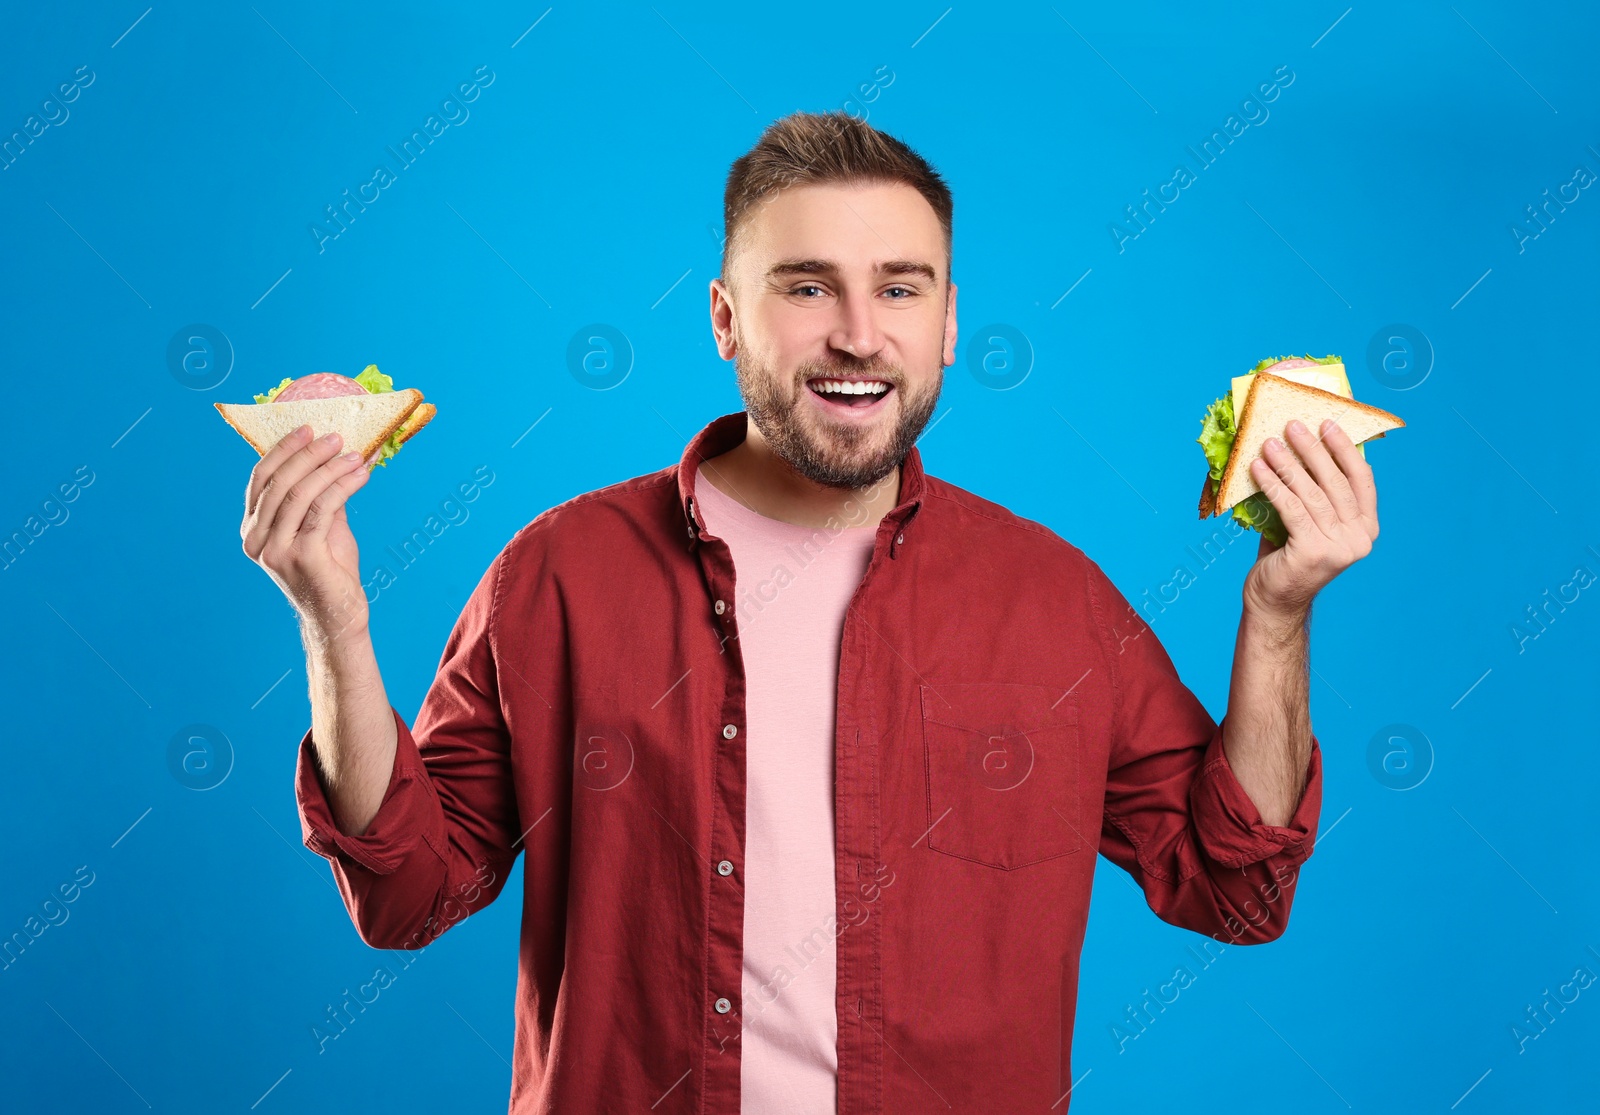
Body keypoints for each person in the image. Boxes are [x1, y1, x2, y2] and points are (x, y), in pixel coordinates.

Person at [239, 111, 1376, 1114]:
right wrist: (333, 624)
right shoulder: (557, 574)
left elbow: (1235, 887)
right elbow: (404, 892)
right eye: (804, 286)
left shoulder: (1056, 601)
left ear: (946, 321)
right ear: (726, 318)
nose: (856, 332)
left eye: (898, 286)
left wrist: (1276, 616)